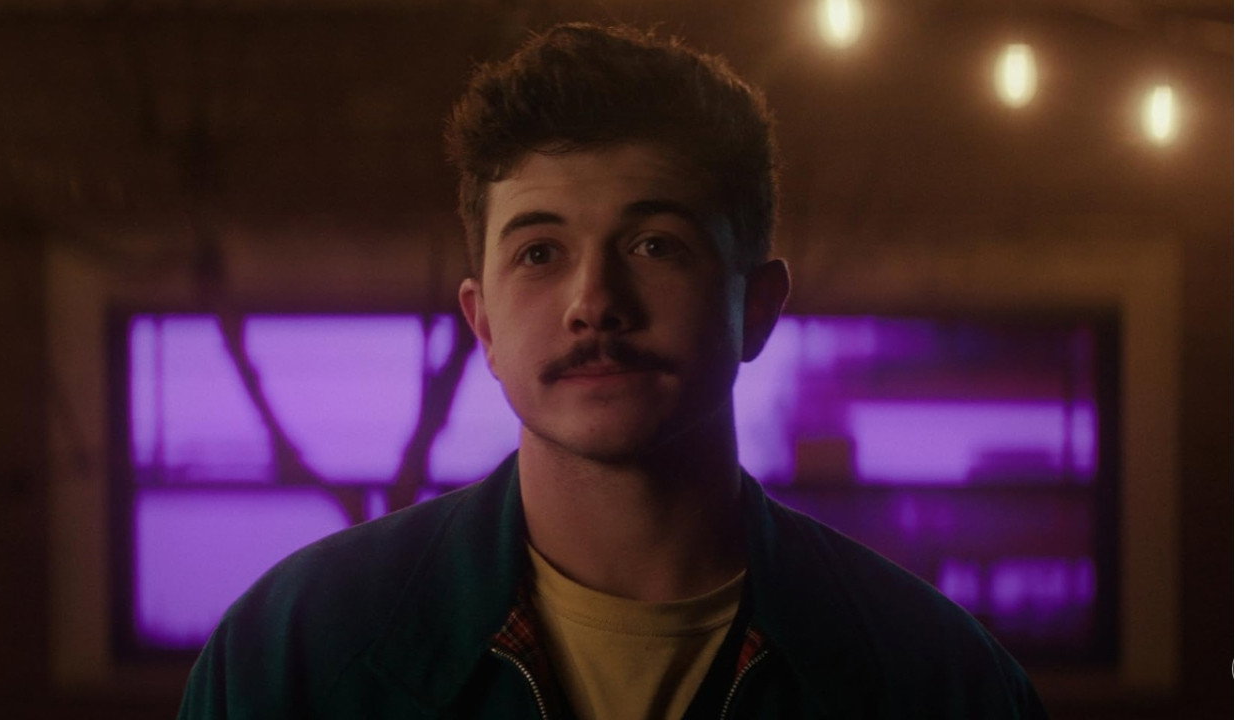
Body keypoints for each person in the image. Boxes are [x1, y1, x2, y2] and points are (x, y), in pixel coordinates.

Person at [179, 23, 1047, 719]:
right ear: (484, 324)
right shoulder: (296, 655)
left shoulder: (939, 682)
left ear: (758, 307)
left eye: (655, 245)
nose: (593, 302)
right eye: (539, 252)